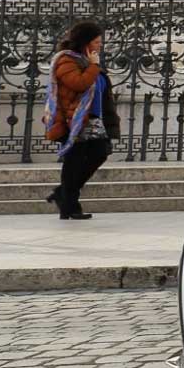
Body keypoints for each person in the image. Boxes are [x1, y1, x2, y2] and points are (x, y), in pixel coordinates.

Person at [45, 21, 116, 221]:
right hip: (73, 120)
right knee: (74, 162)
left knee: (100, 152)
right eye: (96, 41)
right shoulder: (67, 60)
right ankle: (70, 204)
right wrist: (93, 66)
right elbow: (79, 83)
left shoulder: (85, 60)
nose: (100, 45)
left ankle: (64, 194)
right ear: (85, 42)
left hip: (92, 119)